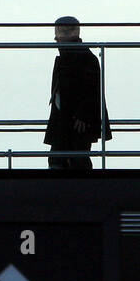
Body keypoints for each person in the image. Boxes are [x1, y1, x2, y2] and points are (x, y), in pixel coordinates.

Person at [44, 16, 112, 170]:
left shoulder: (81, 57)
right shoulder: (84, 56)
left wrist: (83, 115)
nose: (56, 38)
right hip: (72, 120)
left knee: (69, 158)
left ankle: (68, 189)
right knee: (72, 157)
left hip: (73, 121)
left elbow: (92, 89)